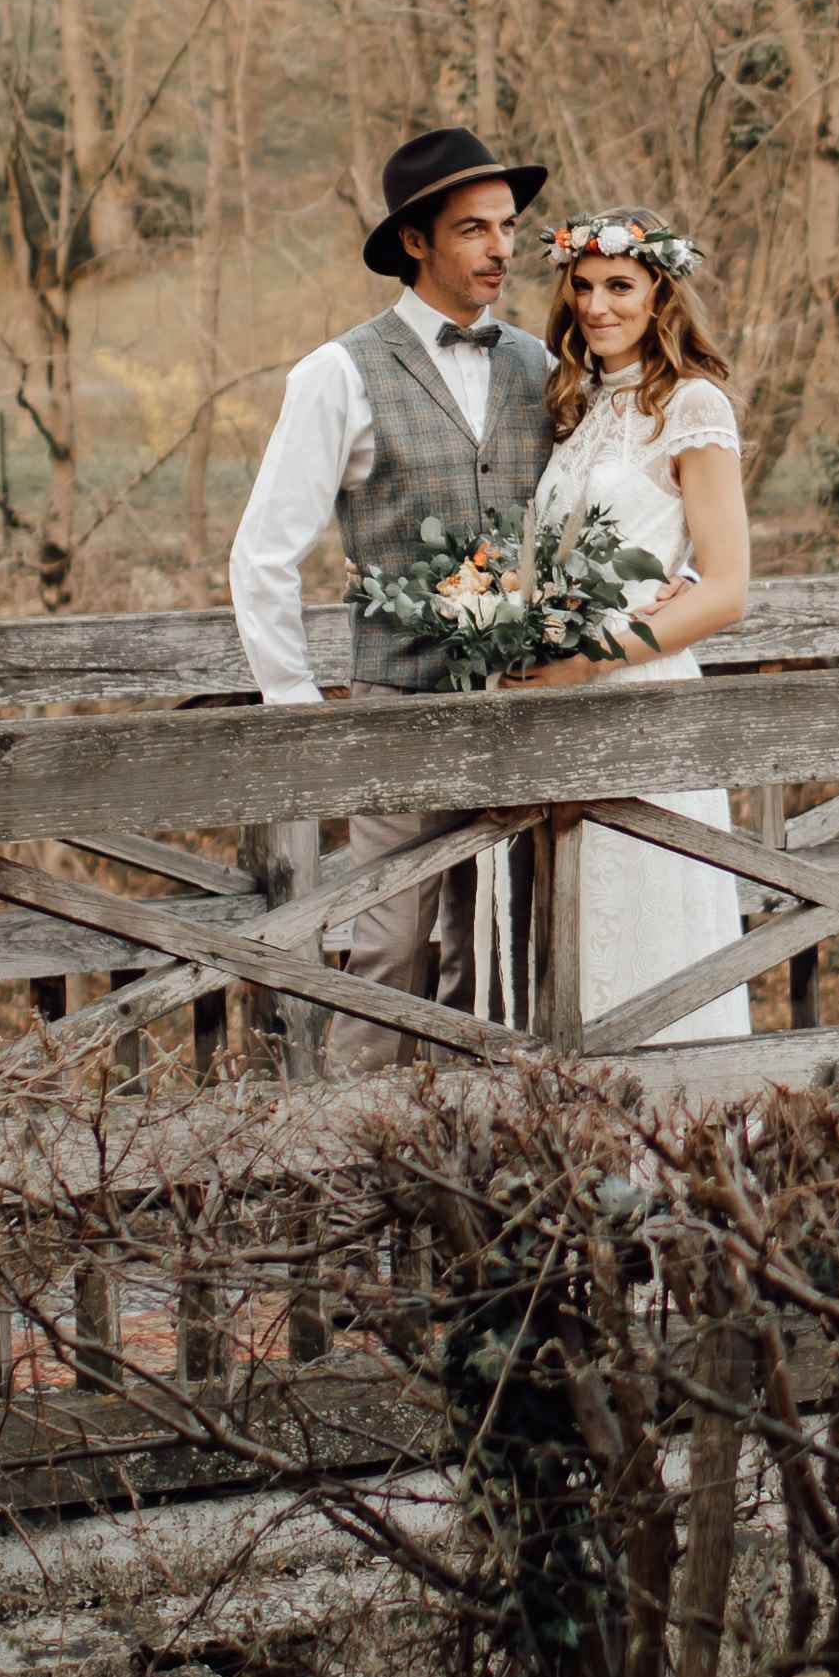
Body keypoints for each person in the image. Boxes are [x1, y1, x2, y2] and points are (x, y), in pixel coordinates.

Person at [226, 121, 552, 1025]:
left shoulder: (542, 367)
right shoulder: (338, 372)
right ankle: (369, 1145)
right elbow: (263, 553)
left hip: (528, 710)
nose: (500, 249)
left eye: (508, 227)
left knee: (511, 951)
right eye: (474, 230)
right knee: (390, 949)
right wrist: (295, 713)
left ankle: (490, 1147)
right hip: (397, 709)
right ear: (415, 241)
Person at [521, 207, 752, 1045]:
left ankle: (676, 1144)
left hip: (638, 694)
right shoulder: (575, 407)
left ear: (661, 294)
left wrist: (590, 661)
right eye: (581, 287)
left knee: (650, 926)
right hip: (549, 707)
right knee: (573, 938)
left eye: (620, 286)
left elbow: (725, 589)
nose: (596, 305)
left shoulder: (693, 407)